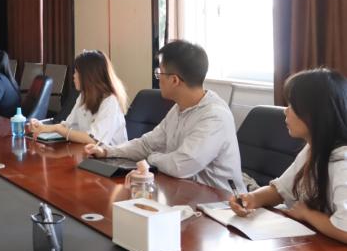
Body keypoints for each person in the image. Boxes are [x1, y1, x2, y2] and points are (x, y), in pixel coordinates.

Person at [85, 40, 244, 192]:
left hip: (220, 202)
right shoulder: (179, 108)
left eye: (159, 73)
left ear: (174, 80)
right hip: (183, 192)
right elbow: (147, 144)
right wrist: (107, 151)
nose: (158, 78)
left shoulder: (214, 116)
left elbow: (180, 166)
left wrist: (151, 158)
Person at [229, 68, 347, 244]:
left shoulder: (342, 163)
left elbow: (345, 230)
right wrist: (252, 199)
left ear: (316, 113)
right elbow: (280, 191)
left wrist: (307, 214)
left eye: (292, 106)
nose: (286, 111)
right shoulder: (313, 148)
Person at [28, 50, 128, 146]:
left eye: (76, 72)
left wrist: (57, 129)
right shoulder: (83, 95)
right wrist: (43, 127)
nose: (74, 76)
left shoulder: (110, 101)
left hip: (112, 156)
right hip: (87, 152)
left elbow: (94, 139)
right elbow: (69, 126)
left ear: (88, 76)